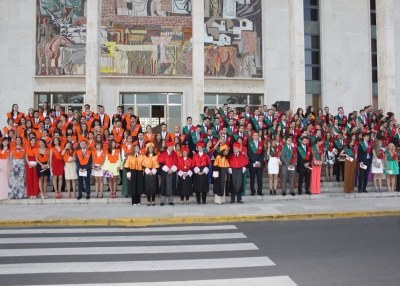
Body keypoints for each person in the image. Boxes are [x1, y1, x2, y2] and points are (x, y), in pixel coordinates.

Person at [157, 140, 179, 206]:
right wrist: (167, 169)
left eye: (173, 146)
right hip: (165, 172)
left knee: (172, 185)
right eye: (172, 146)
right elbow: (160, 162)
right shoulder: (163, 154)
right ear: (168, 147)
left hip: (172, 171)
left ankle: (170, 200)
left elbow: (177, 162)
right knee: (164, 185)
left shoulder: (175, 154)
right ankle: (163, 201)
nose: (173, 148)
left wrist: (172, 169)